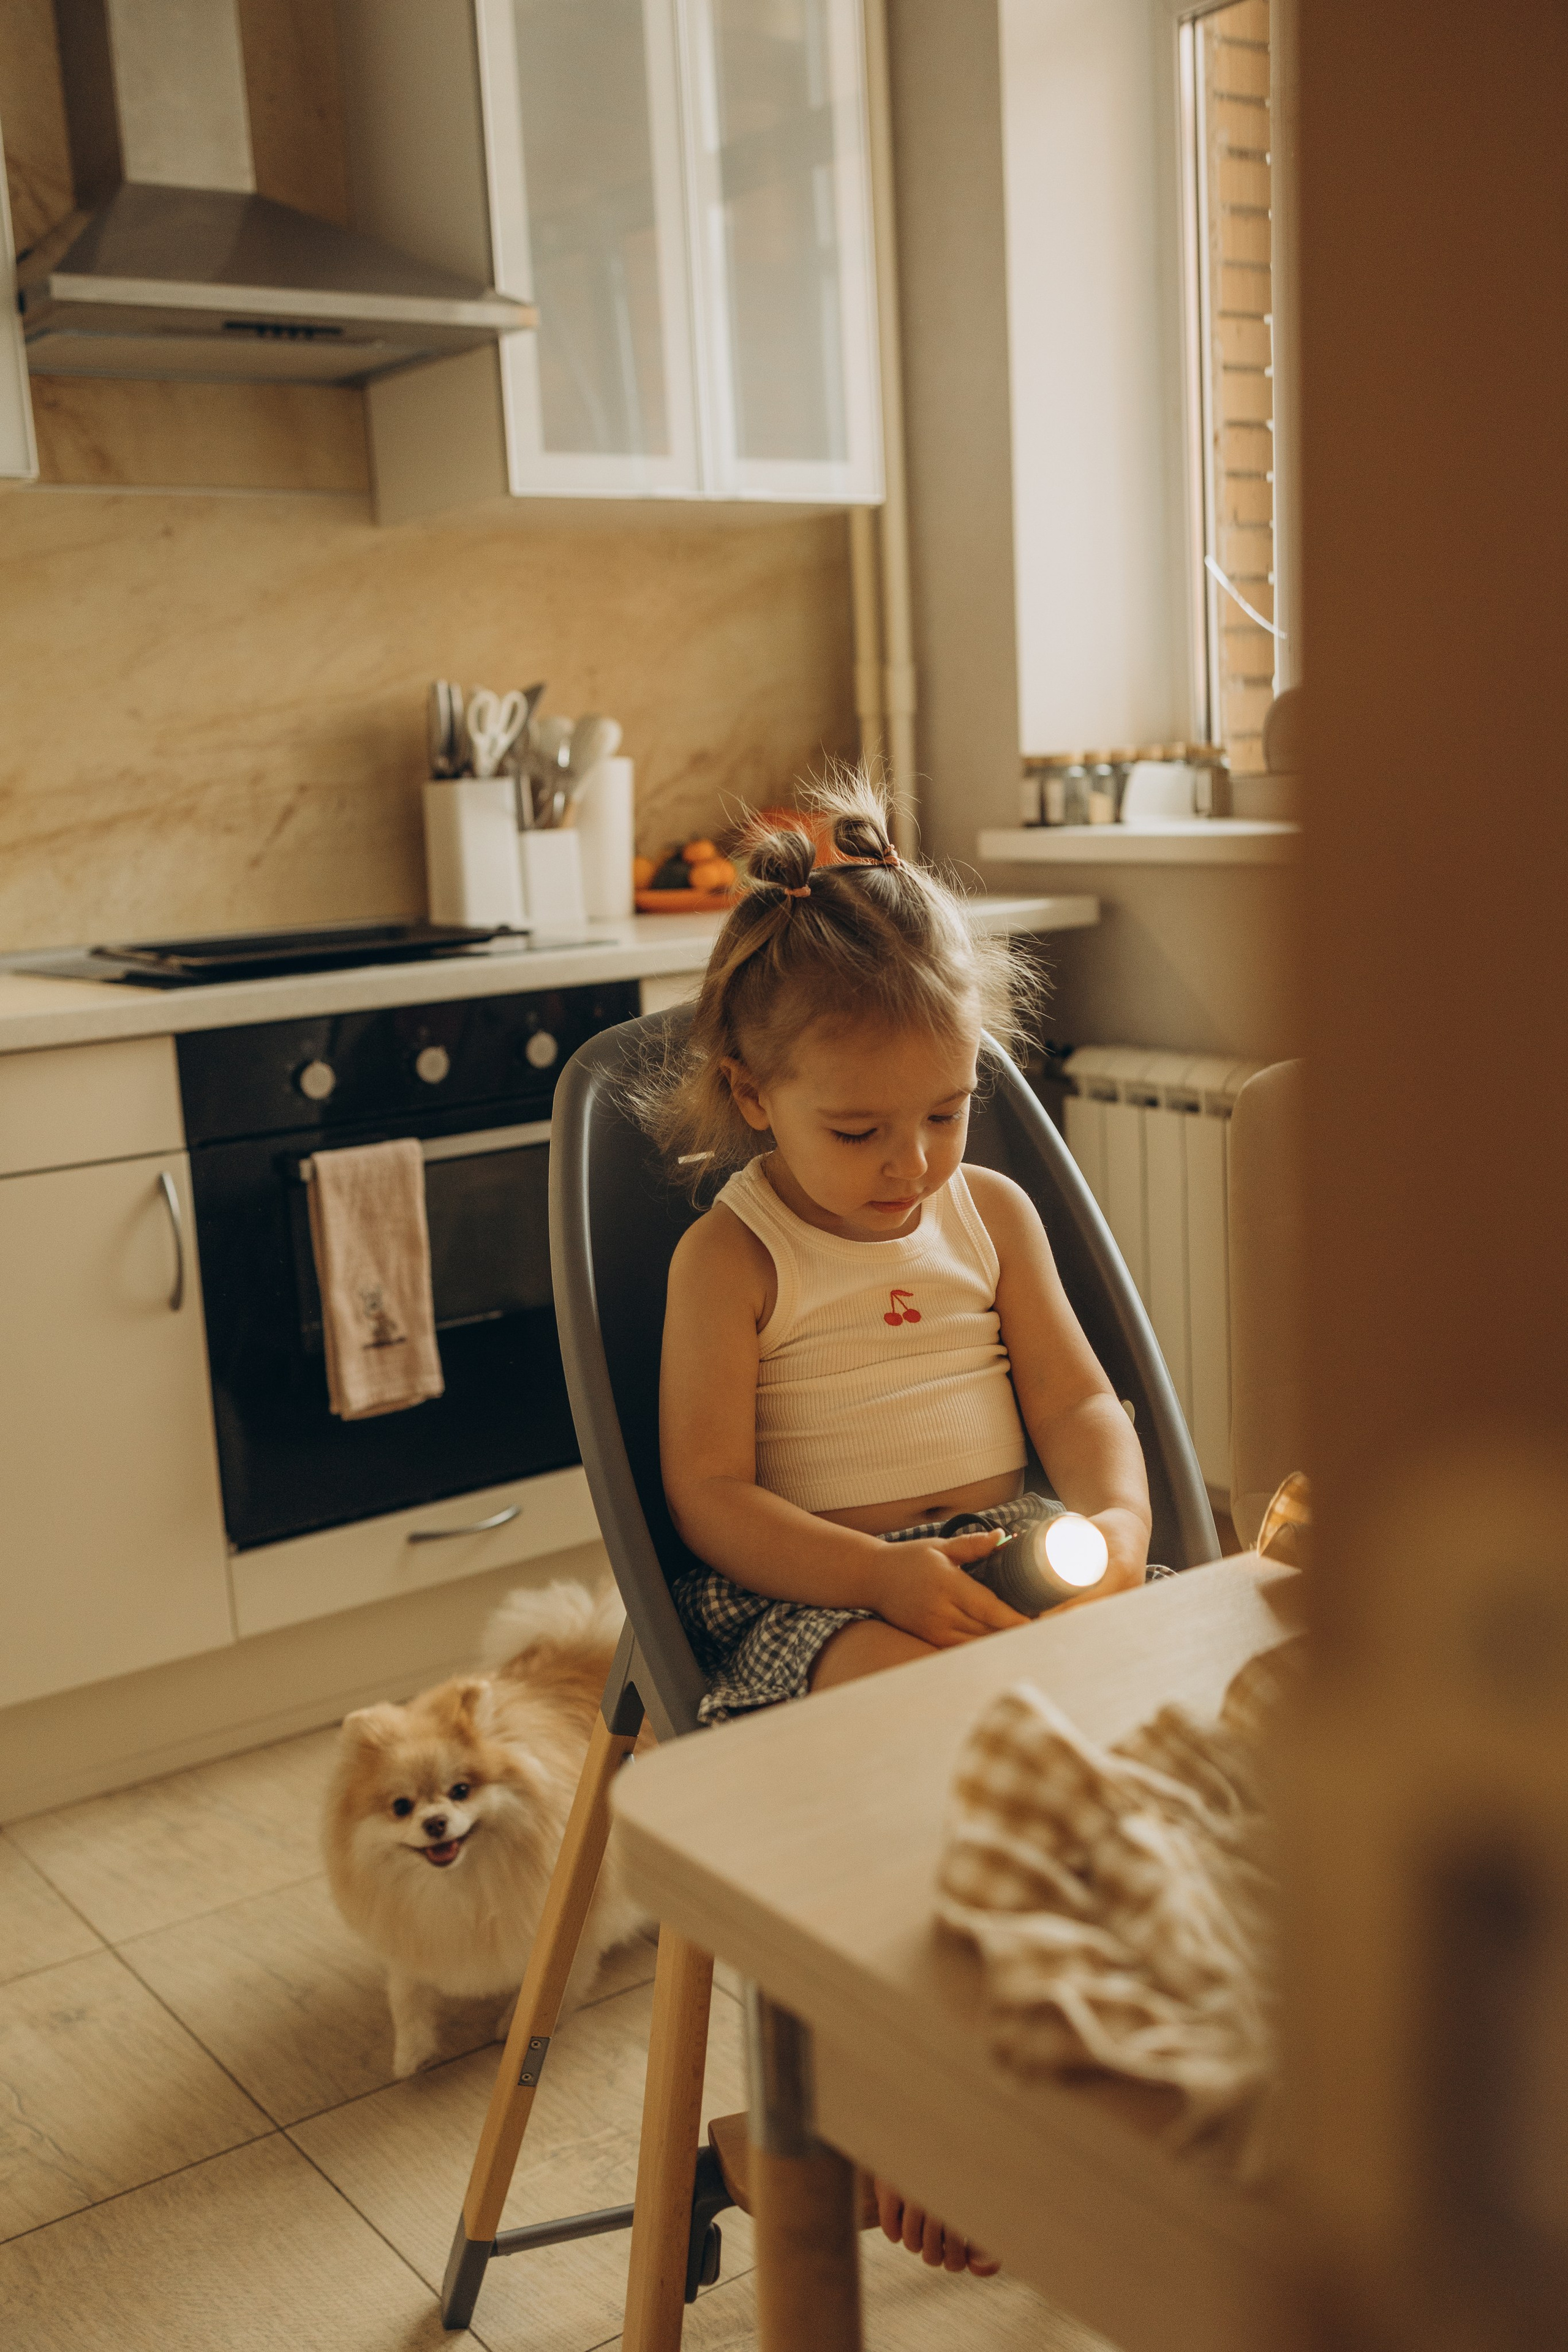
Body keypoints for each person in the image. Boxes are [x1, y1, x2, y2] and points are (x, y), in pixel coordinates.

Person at [645, 774, 1152, 2275]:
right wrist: (875, 1572)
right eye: (861, 1129)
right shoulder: (728, 1258)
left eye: (946, 1112)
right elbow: (709, 1495)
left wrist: (1114, 1523)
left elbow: (1080, 1409)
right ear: (753, 1095)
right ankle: (918, 2108)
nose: (913, 1165)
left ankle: (1068, 2074)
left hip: (1005, 1547)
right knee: (934, 1750)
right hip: (816, 1595)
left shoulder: (987, 1212)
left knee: (1168, 1725)